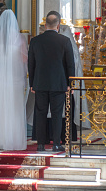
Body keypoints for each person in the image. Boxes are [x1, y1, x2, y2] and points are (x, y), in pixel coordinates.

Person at [29, 11, 75, 152]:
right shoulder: (65, 41)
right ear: (58, 26)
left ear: (45, 25)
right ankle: (56, 143)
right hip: (59, 84)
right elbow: (70, 64)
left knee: (41, 113)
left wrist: (32, 84)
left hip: (40, 83)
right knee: (56, 114)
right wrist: (70, 84)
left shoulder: (35, 41)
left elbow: (31, 64)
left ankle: (41, 144)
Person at [0, 10, 28, 150]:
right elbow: (24, 60)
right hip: (15, 80)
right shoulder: (19, 38)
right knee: (14, 109)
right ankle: (13, 139)